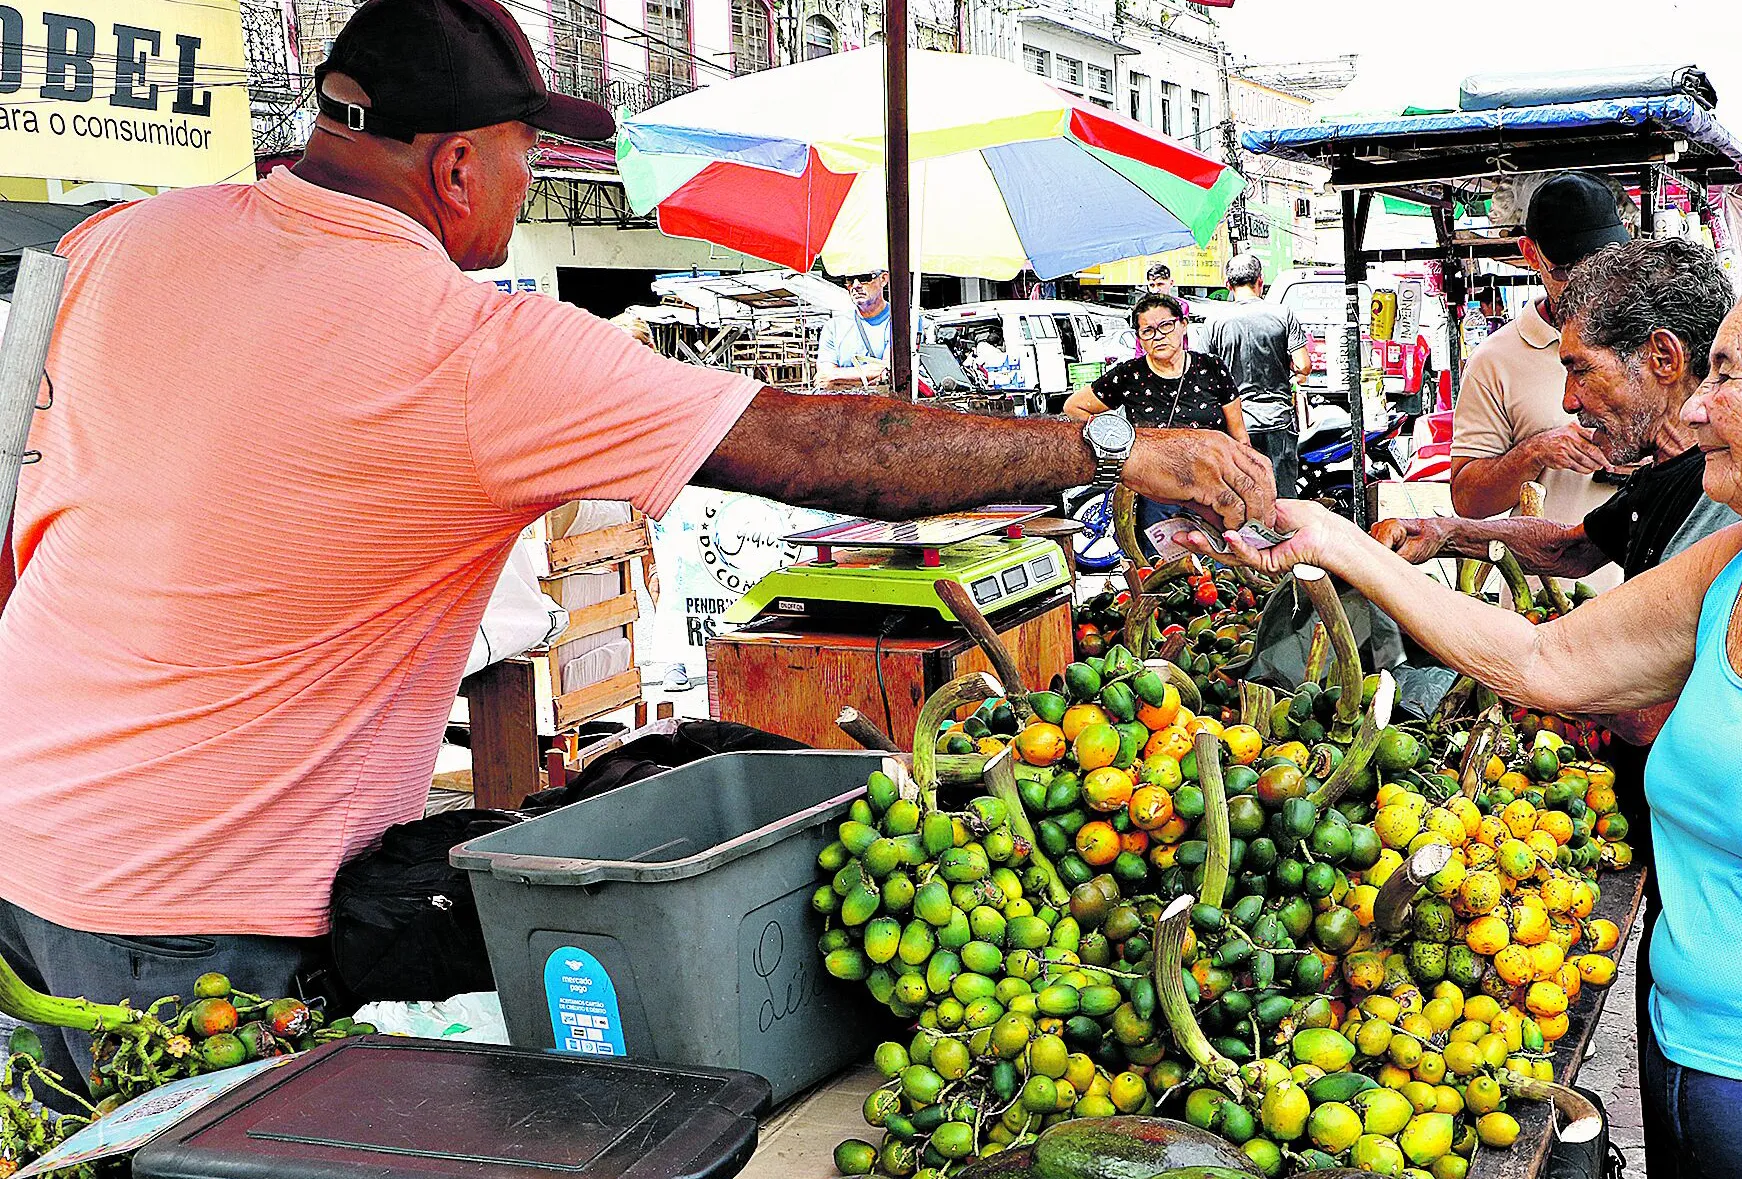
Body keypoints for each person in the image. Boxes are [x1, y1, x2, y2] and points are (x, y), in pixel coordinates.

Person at [0, 0, 1274, 1093]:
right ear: (453, 168)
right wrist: (1108, 450)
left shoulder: (116, 242)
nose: (523, 184)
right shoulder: (463, 343)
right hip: (203, 928)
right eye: (520, 155)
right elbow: (831, 452)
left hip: (24, 844)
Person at [1194, 252, 1742, 1179]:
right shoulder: (1737, 567)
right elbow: (1544, 662)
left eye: (1724, 373)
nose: (1695, 405)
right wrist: (1339, 542)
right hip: (1699, 1083)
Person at [1369, 236, 1737, 1179]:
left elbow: (1637, 703)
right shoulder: (1671, 478)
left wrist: (1535, 680)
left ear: (1661, 358)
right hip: (1682, 874)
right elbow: (1577, 543)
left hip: (1727, 911)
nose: (1568, 399)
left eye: (1578, 368)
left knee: (1690, 1111)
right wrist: (1458, 527)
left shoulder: (1731, 500)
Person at [1449, 172, 1629, 584]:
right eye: (1568, 270)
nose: (1588, 284)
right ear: (1531, 254)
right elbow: (1467, 500)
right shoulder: (1495, 360)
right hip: (1547, 605)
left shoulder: (1651, 343)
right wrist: (1535, 453)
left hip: (1653, 599)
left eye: (1600, 266)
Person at [1067, 292, 1247, 543]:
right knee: (1160, 566)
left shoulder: (1211, 368)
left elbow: (1239, 436)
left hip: (1213, 487)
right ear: (1140, 337)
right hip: (1155, 491)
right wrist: (1116, 444)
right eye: (1147, 330)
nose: (1159, 335)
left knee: (1216, 563)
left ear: (1183, 325)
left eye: (1166, 325)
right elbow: (1074, 407)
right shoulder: (1129, 375)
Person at [1207, 253, 1312, 496]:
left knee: (1241, 496)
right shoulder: (1282, 315)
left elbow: (1202, 375)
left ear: (1228, 285)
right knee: (1282, 498)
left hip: (1235, 425)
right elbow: (1303, 365)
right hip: (1277, 421)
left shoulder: (1214, 322)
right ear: (1260, 281)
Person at [816, 270, 903, 391]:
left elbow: (891, 371)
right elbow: (823, 378)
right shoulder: (833, 326)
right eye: (850, 280)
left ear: (883, 279)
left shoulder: (903, 321)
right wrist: (870, 376)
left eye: (864, 277)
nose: (856, 285)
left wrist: (836, 376)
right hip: (845, 407)